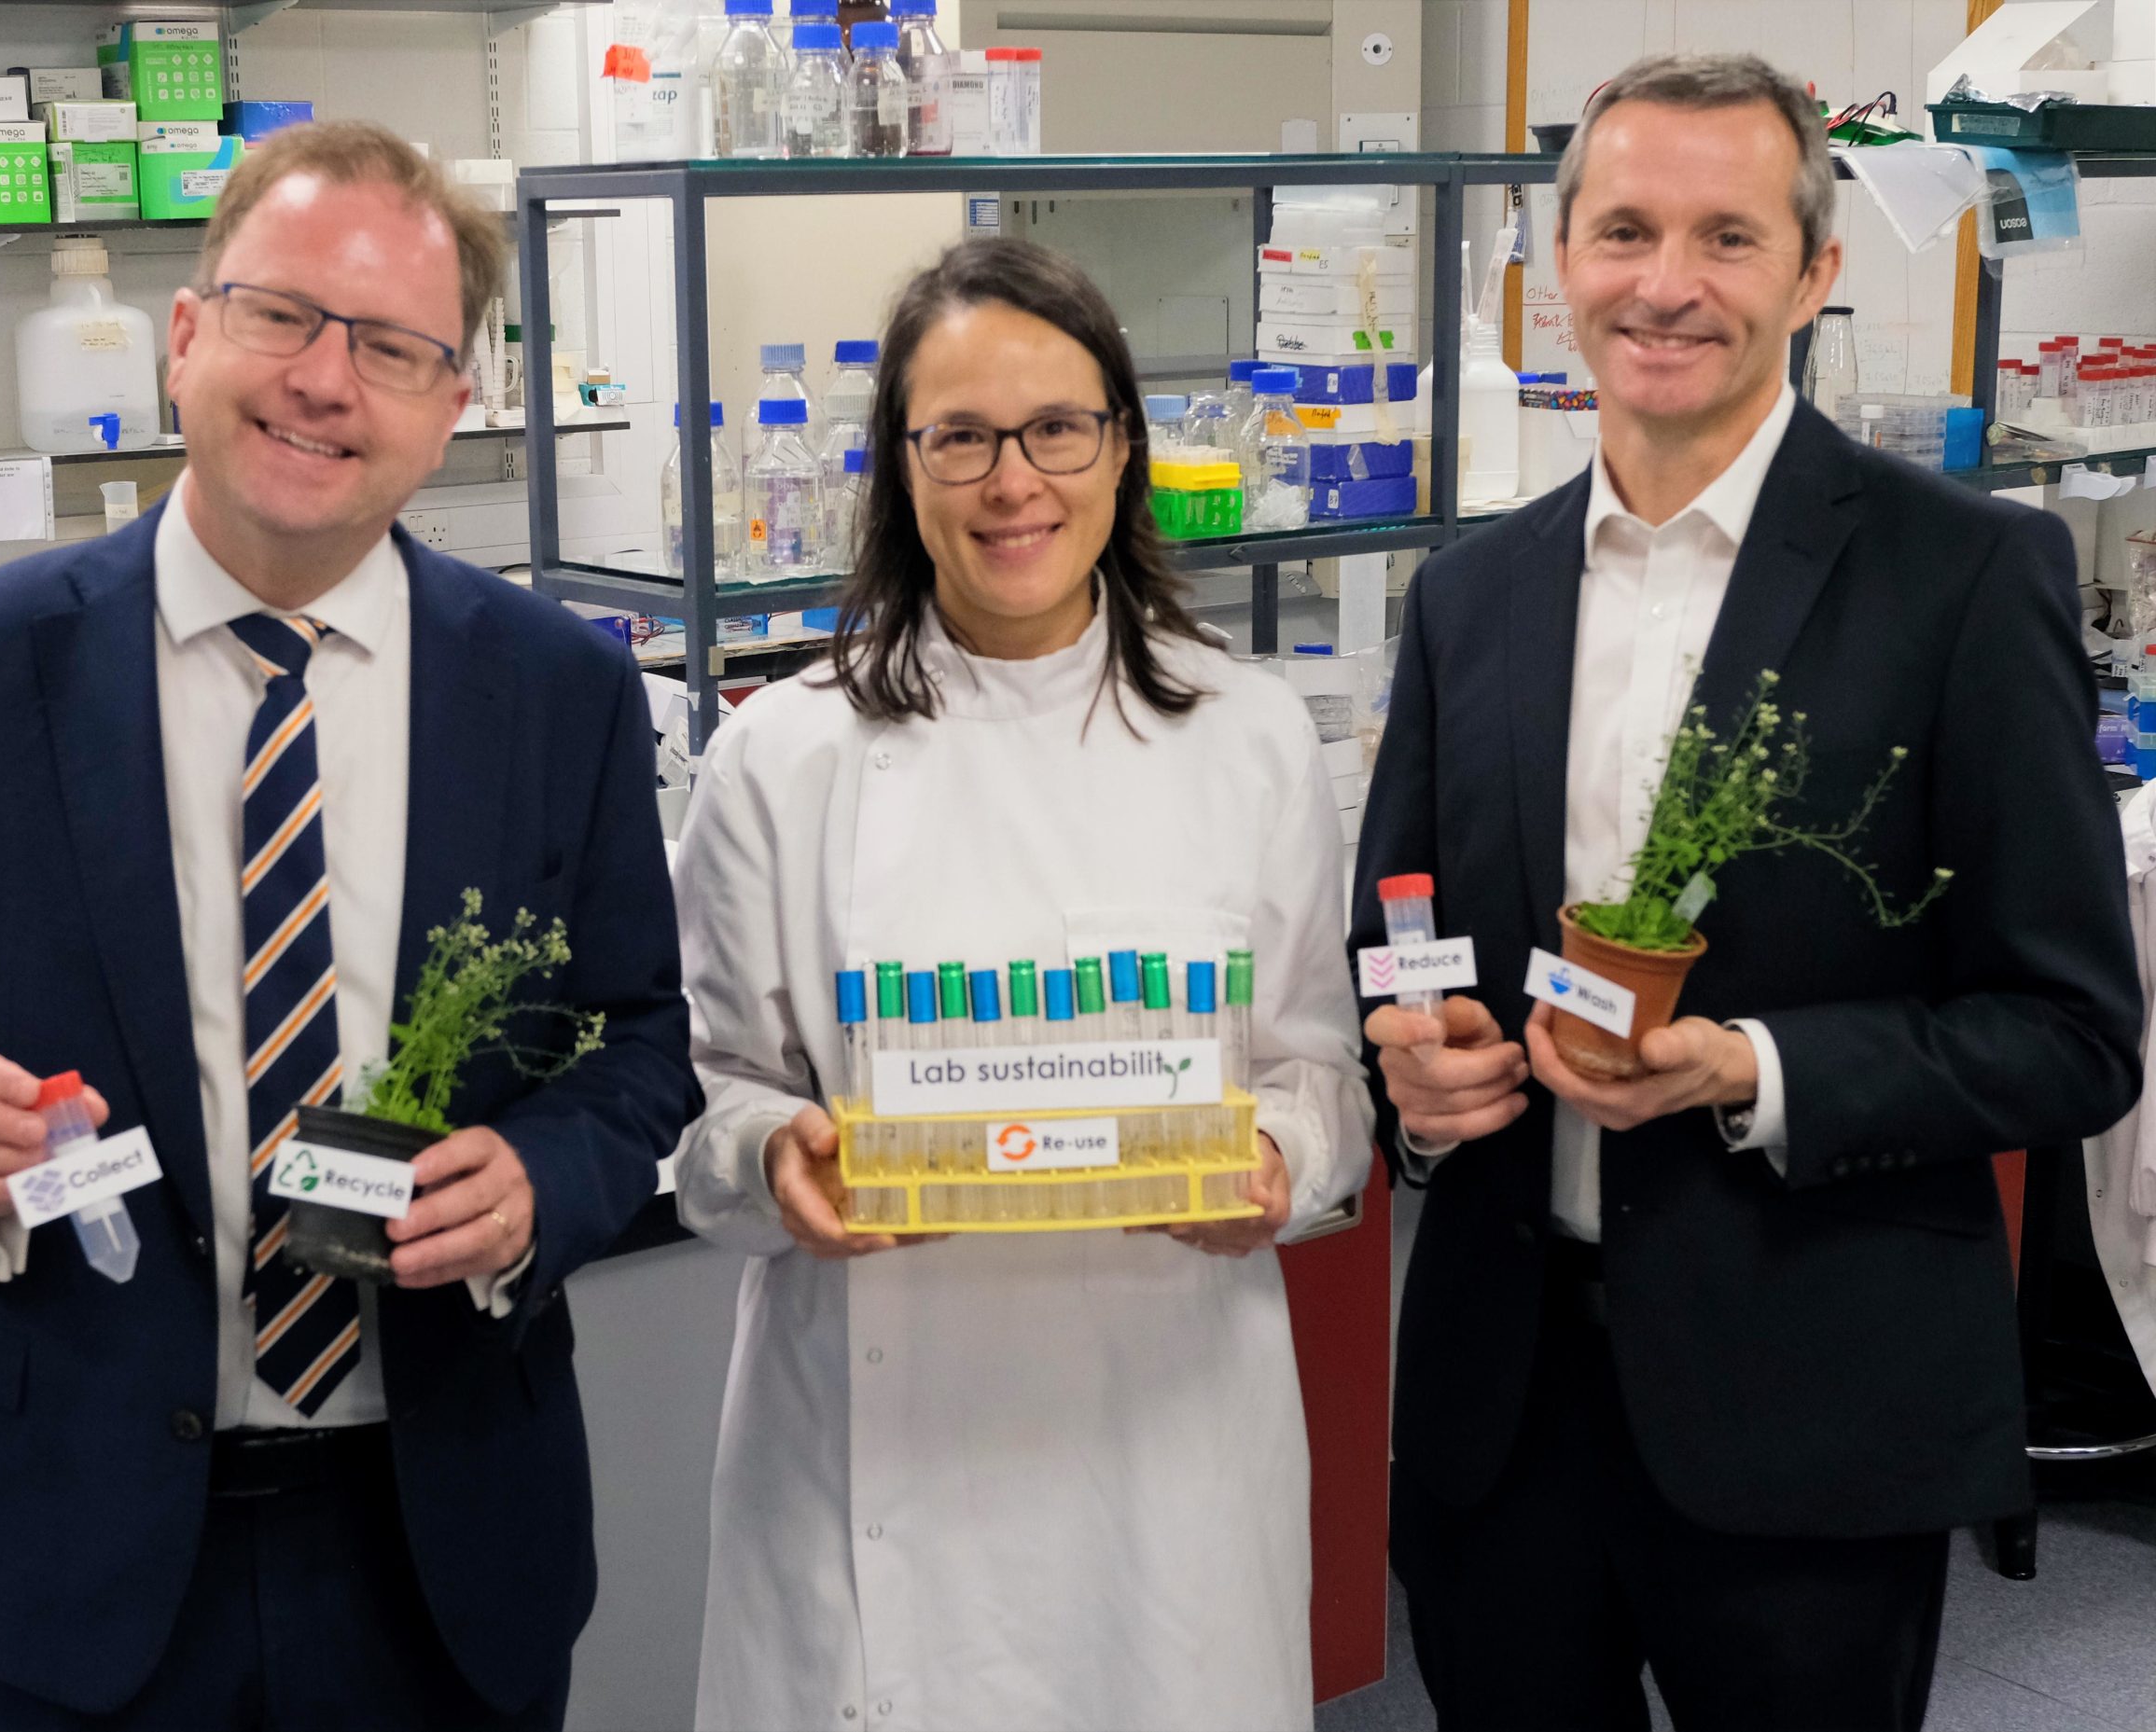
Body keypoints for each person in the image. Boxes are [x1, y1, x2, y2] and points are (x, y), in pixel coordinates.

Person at [0, 121, 700, 1731]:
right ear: (188, 334)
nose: (327, 380)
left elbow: (641, 1045)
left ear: (453, 401)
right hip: (65, 1539)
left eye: (394, 346)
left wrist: (547, 1175)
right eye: (286, 315)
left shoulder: (563, 691)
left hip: (444, 1532)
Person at [1348, 53, 2142, 1732]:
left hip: (1815, 1414)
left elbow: (2072, 1034)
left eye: (1726, 236)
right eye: (1625, 229)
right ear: (1555, 260)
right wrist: (1410, 1086)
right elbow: (1391, 953)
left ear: (1813, 273)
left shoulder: (1964, 573)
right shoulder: (1473, 592)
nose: (1666, 284)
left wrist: (1749, 1069)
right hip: (1506, 1409)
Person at [672, 237, 1370, 1731]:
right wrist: (767, 1158)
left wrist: (1281, 1161)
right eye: (962, 437)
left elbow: (1324, 1075)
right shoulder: (782, 756)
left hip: (1168, 1469)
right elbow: (707, 1114)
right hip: (875, 1469)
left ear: (1120, 447)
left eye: (1060, 428)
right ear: (899, 465)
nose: (1015, 483)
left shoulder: (1246, 736)